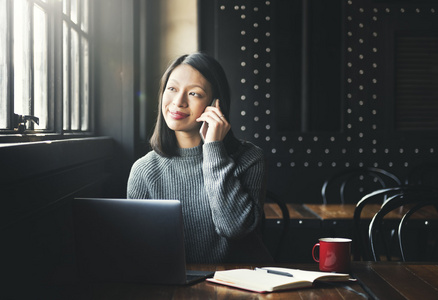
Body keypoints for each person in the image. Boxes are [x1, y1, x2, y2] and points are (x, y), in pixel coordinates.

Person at [127, 52, 272, 264]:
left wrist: (214, 149)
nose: (178, 102)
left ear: (215, 104)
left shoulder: (250, 158)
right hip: (174, 286)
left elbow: (234, 229)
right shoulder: (144, 170)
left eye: (194, 94)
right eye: (172, 89)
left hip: (240, 287)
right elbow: (137, 250)